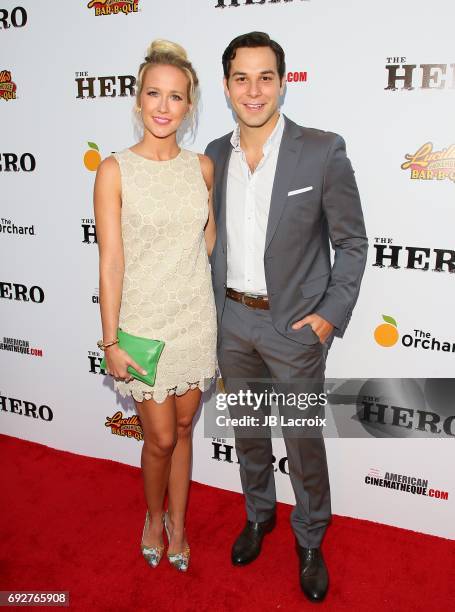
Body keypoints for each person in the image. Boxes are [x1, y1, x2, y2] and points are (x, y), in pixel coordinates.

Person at [205, 32, 368, 602]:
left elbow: (352, 242)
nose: (254, 90)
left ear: (283, 82)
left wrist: (328, 317)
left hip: (296, 330)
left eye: (266, 77)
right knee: (248, 435)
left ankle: (310, 536)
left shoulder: (322, 150)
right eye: (242, 79)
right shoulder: (213, 157)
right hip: (234, 326)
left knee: (303, 443)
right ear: (226, 86)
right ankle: (258, 515)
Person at [94, 40, 217, 573]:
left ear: (189, 105)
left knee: (186, 430)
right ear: (138, 99)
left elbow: (207, 241)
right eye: (153, 94)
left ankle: (180, 525)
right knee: (161, 437)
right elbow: (111, 262)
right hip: (145, 324)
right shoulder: (114, 170)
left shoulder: (203, 167)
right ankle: (152, 516)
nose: (163, 106)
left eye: (175, 96)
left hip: (195, 318)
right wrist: (111, 341)